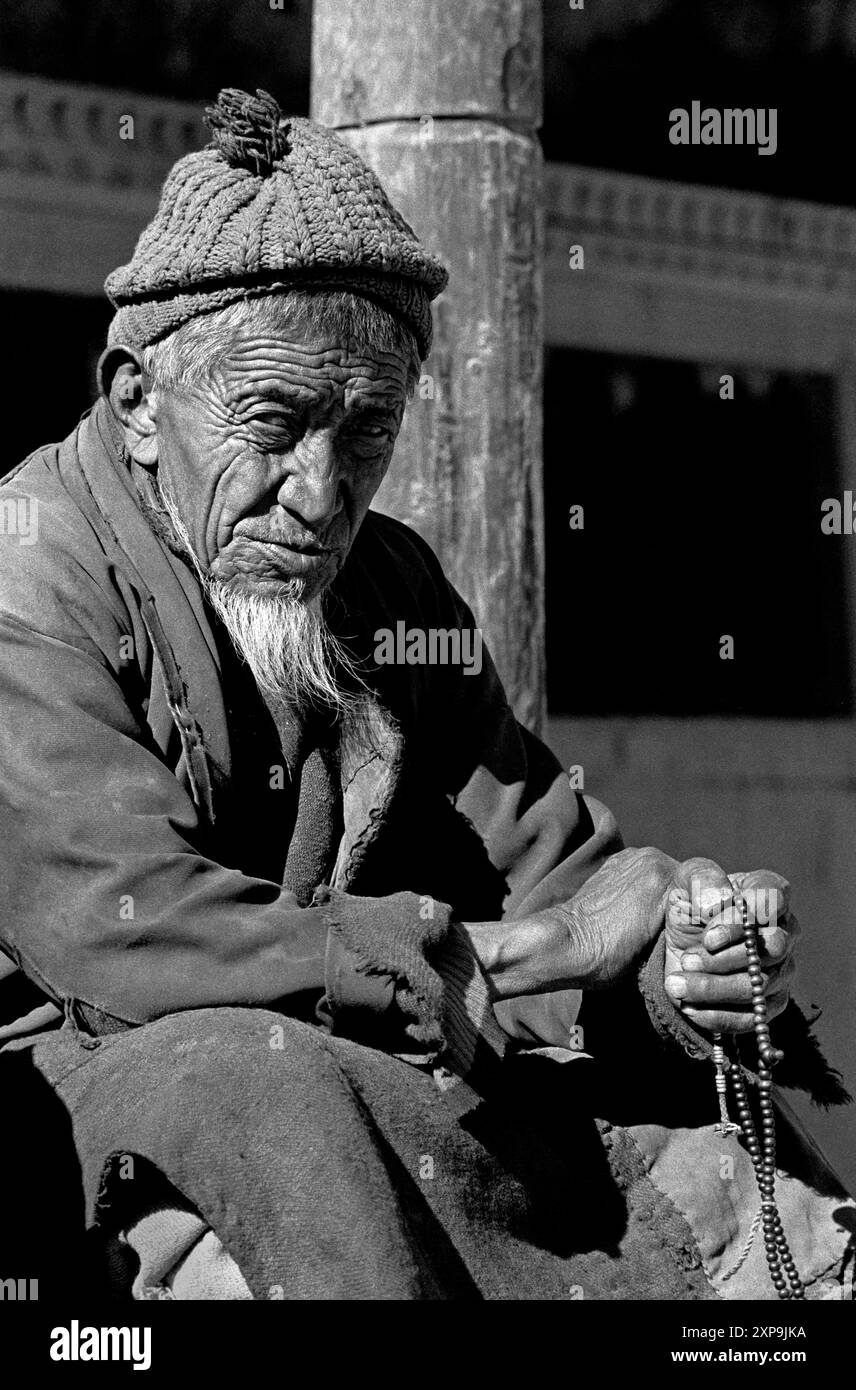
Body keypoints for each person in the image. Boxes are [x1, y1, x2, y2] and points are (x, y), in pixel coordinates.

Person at [0, 88, 851, 1301]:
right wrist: (509, 955)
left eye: (365, 435)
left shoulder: (387, 580)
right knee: (260, 1089)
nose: (319, 493)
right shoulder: (28, 564)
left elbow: (559, 863)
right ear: (139, 403)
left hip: (362, 1063)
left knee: (716, 1141)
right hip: (105, 1094)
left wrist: (682, 949)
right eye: (276, 422)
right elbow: (127, 934)